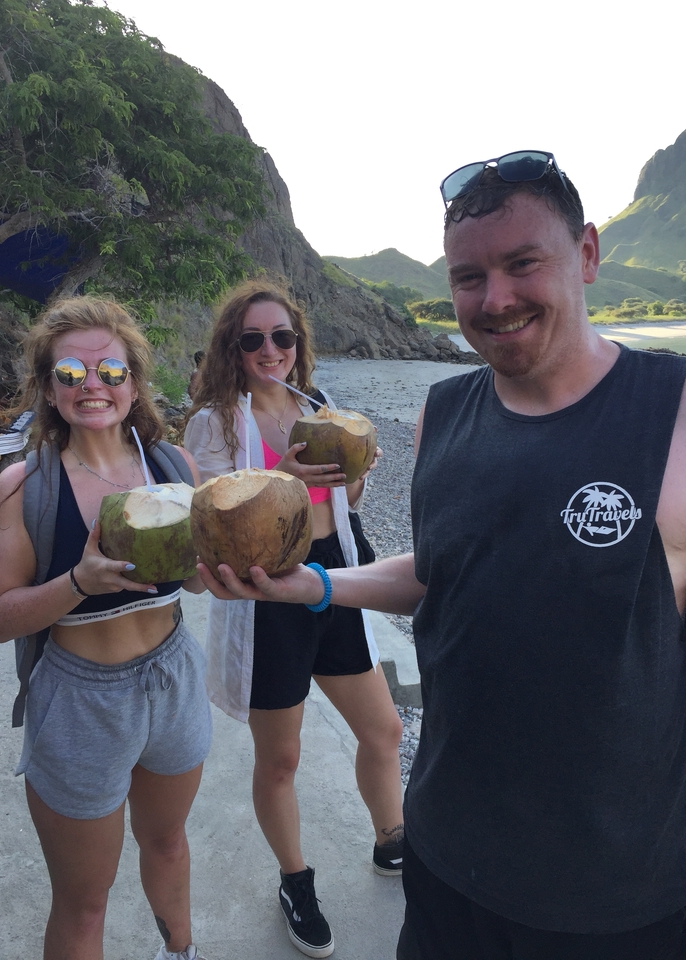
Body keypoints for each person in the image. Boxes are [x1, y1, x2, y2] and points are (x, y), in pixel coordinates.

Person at [197, 153, 686, 960]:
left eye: (523, 263)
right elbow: (434, 574)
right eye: (468, 276)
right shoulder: (444, 412)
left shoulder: (669, 415)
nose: (494, 299)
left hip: (614, 897)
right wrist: (310, 584)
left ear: (588, 254)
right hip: (446, 862)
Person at [0, 296, 212, 960]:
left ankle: (181, 952)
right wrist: (78, 582)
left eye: (109, 372)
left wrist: (224, 565)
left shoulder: (173, 469)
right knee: (86, 900)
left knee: (168, 842)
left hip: (173, 677)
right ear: (49, 390)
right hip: (80, 699)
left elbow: (190, 581)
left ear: (134, 384)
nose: (92, 388)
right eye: (71, 374)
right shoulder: (24, 488)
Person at [184, 280, 404, 959]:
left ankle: (394, 840)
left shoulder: (320, 405)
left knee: (387, 729)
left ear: (298, 343)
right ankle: (295, 880)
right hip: (266, 596)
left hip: (333, 577)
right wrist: (291, 472)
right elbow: (216, 514)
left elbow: (350, 498)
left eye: (282, 337)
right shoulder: (214, 422)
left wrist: (359, 468)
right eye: (253, 339)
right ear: (233, 347)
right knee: (281, 757)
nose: (270, 350)